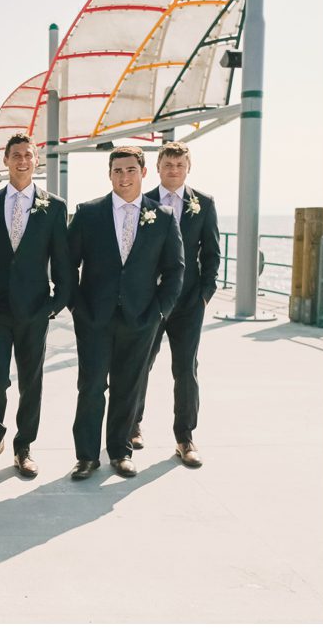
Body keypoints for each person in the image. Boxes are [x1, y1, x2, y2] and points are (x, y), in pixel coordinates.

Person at [67, 146, 183, 479]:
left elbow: (175, 270)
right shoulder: (88, 213)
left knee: (127, 386)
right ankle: (86, 456)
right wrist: (77, 306)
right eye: (117, 170)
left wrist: (159, 311)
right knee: (90, 387)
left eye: (131, 170)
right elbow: (66, 263)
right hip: (94, 318)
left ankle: (120, 451)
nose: (124, 176)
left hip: (141, 318)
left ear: (144, 173)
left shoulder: (162, 217)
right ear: (109, 174)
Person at [0, 133, 72, 478]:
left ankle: (24, 446)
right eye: (15, 155)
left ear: (36, 161)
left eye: (27, 155)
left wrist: (56, 303)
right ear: (5, 161)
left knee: (31, 382)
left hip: (35, 309)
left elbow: (62, 260)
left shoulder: (55, 206)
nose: (21, 160)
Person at [132, 141, 220, 467]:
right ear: (157, 168)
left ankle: (185, 437)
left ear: (188, 167)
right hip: (151, 301)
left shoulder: (204, 204)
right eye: (168, 165)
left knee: (186, 369)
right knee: (140, 364)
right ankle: (132, 424)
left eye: (179, 165)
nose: (173, 170)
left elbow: (211, 254)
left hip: (188, 304)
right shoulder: (143, 202)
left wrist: (205, 294)